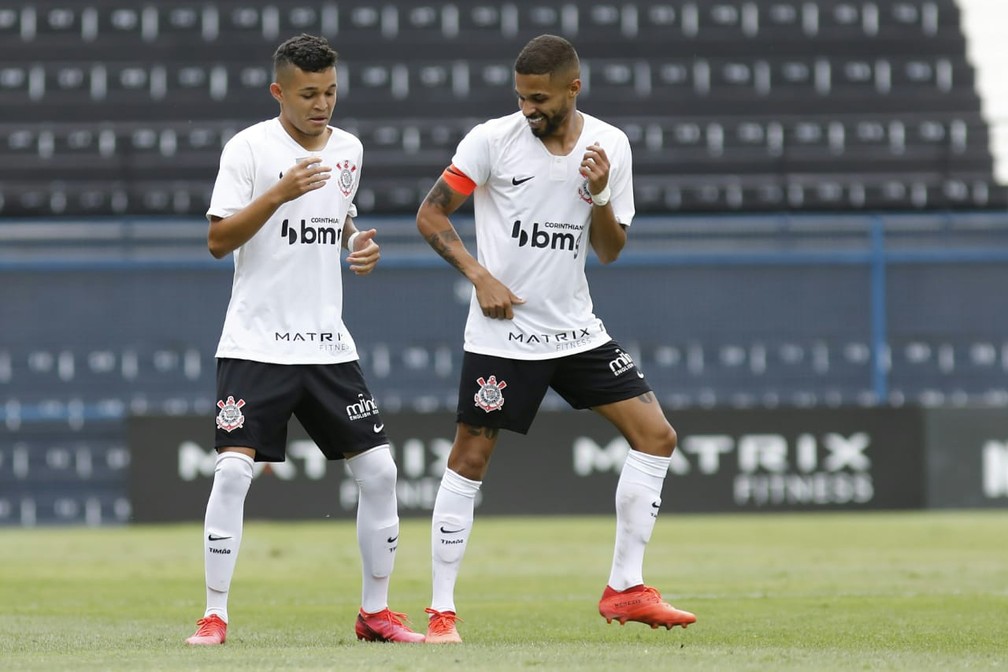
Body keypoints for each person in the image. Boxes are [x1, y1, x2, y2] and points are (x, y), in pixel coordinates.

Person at [415, 34, 696, 644]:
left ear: (575, 87)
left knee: (658, 437)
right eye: (521, 97)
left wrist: (597, 193)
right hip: (503, 335)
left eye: (539, 98)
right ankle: (441, 614)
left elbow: (610, 249)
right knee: (469, 459)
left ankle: (625, 589)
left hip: (575, 331)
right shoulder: (491, 140)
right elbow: (431, 215)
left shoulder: (610, 146)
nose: (529, 109)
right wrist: (480, 276)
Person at [184, 33, 423, 646]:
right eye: (309, 94)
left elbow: (338, 214)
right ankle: (214, 616)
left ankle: (376, 612)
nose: (323, 105)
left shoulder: (350, 150)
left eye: (331, 92)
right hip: (256, 343)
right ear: (279, 93)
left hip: (327, 346)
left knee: (381, 471)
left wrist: (356, 244)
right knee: (233, 473)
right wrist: (278, 193)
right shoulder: (249, 150)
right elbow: (217, 241)